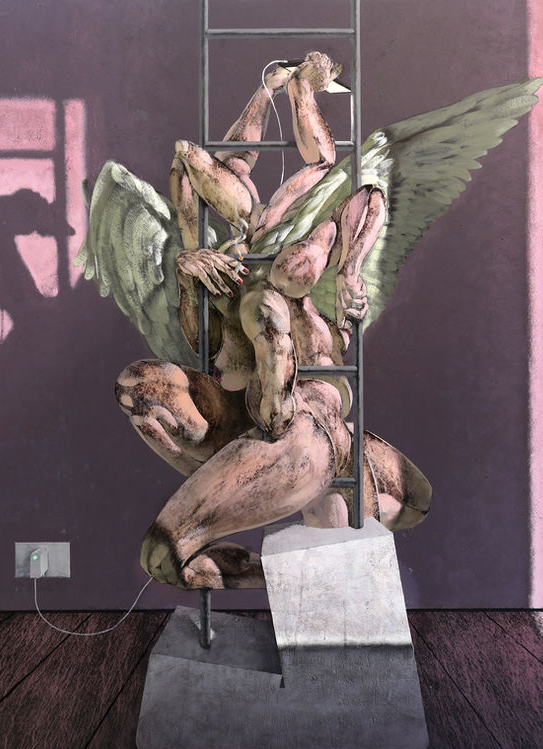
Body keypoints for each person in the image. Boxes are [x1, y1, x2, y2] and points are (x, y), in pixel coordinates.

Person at [114, 53, 428, 590]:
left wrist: (350, 271)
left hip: (307, 427)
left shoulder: (311, 243)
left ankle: (276, 540)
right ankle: (258, 543)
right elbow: (199, 341)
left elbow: (363, 194)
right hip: (240, 421)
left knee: (409, 501)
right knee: (136, 388)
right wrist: (188, 265)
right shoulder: (233, 253)